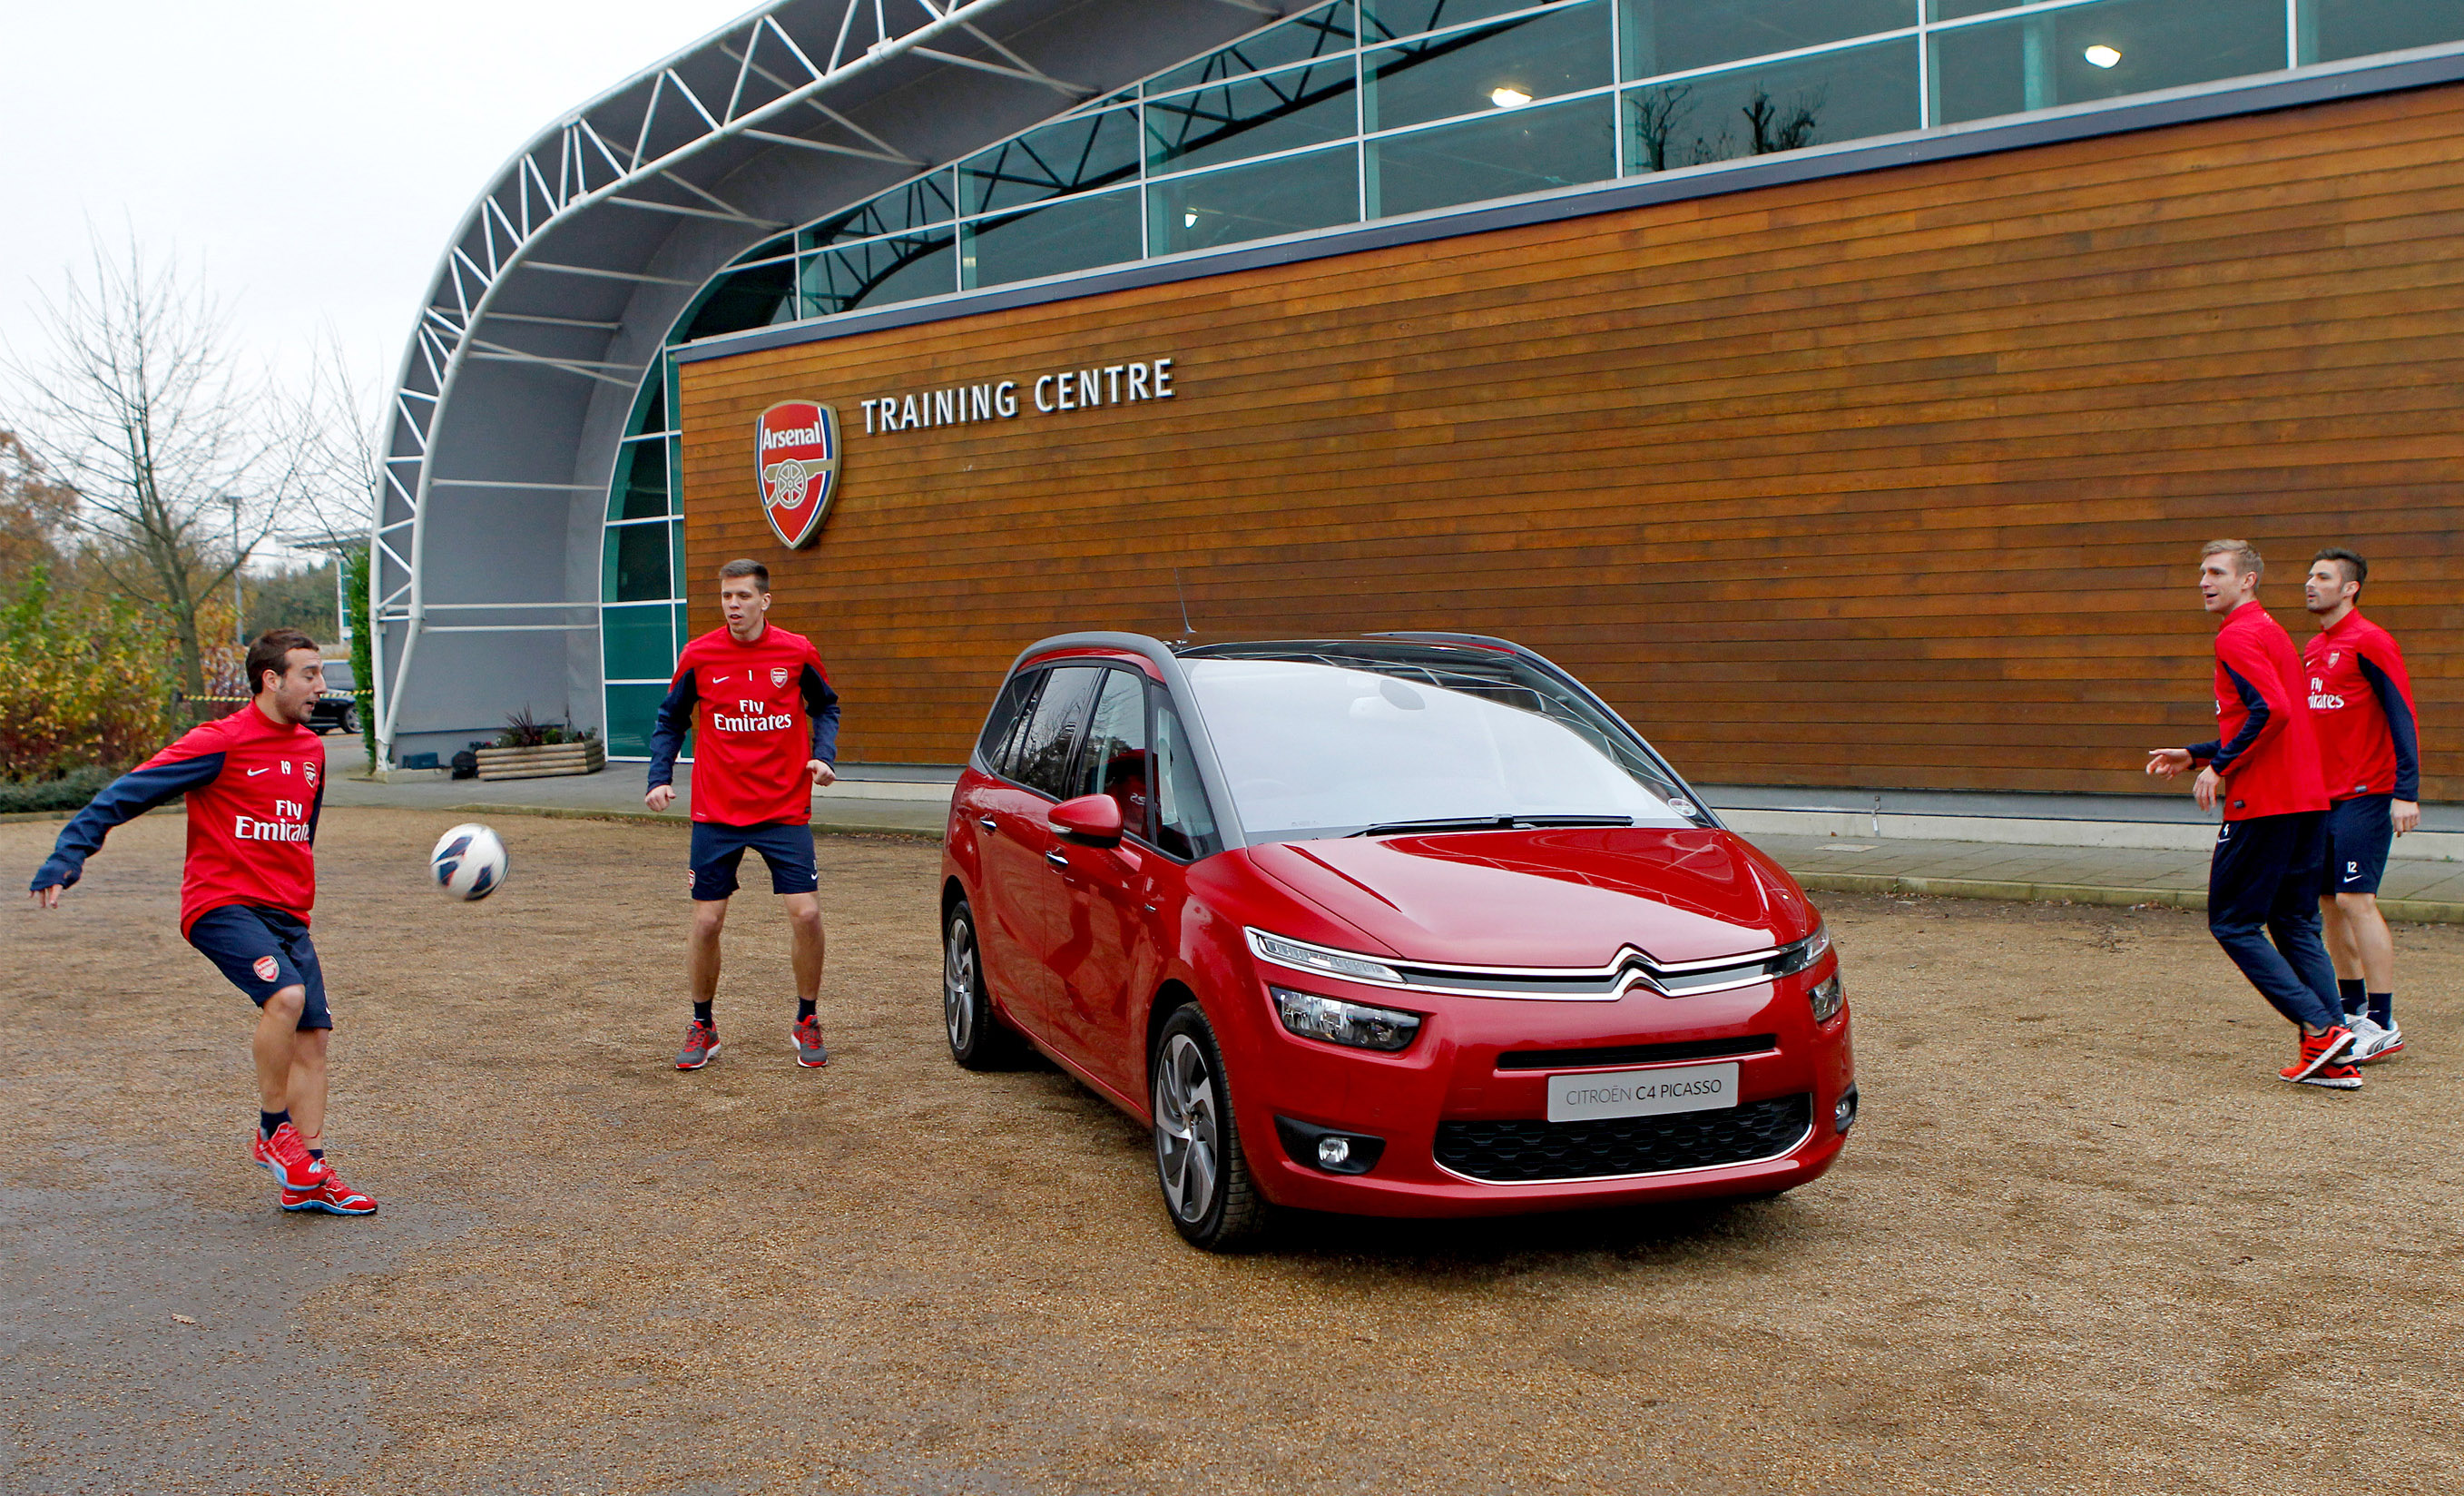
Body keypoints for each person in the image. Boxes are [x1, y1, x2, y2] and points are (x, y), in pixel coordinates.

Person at [27, 627, 377, 1213]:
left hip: (289, 912)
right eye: (310, 674)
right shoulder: (221, 740)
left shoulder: (312, 752)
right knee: (285, 998)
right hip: (221, 904)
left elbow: (300, 835)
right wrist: (69, 854)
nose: (321, 685)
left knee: (313, 1041)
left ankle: (308, 1177)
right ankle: (273, 1132)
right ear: (272, 679)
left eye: (321, 674)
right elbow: (125, 793)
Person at [2146, 540, 2358, 1089]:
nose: (2203, 581)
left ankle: (2320, 1027)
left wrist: (2221, 769)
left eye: (2216, 572)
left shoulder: (2236, 635)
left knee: (2233, 922)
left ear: (2249, 581)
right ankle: (2335, 1050)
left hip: (2264, 802)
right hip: (2307, 799)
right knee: (2293, 921)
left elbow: (2273, 711)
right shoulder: (2269, 631)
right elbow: (2263, 713)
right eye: (2201, 571)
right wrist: (2198, 753)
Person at [646, 559, 841, 1070]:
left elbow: (827, 707)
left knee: (808, 913)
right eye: (727, 596)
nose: (733, 605)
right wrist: (659, 777)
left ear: (765, 600)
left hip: (783, 809)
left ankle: (807, 1019)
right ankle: (702, 1026)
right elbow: (670, 718)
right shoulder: (699, 654)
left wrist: (824, 754)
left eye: (743, 597)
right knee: (707, 921)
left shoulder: (797, 652)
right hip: (717, 811)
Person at [2301, 547, 2420, 1063]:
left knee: (2356, 900)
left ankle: (2382, 1018)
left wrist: (2406, 791)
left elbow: (2402, 712)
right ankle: (2349, 1010)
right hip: (2319, 799)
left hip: (2367, 794)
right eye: (2309, 575)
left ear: (2349, 588)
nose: (2310, 583)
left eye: (2322, 577)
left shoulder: (2371, 642)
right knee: (2328, 901)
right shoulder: (2311, 647)